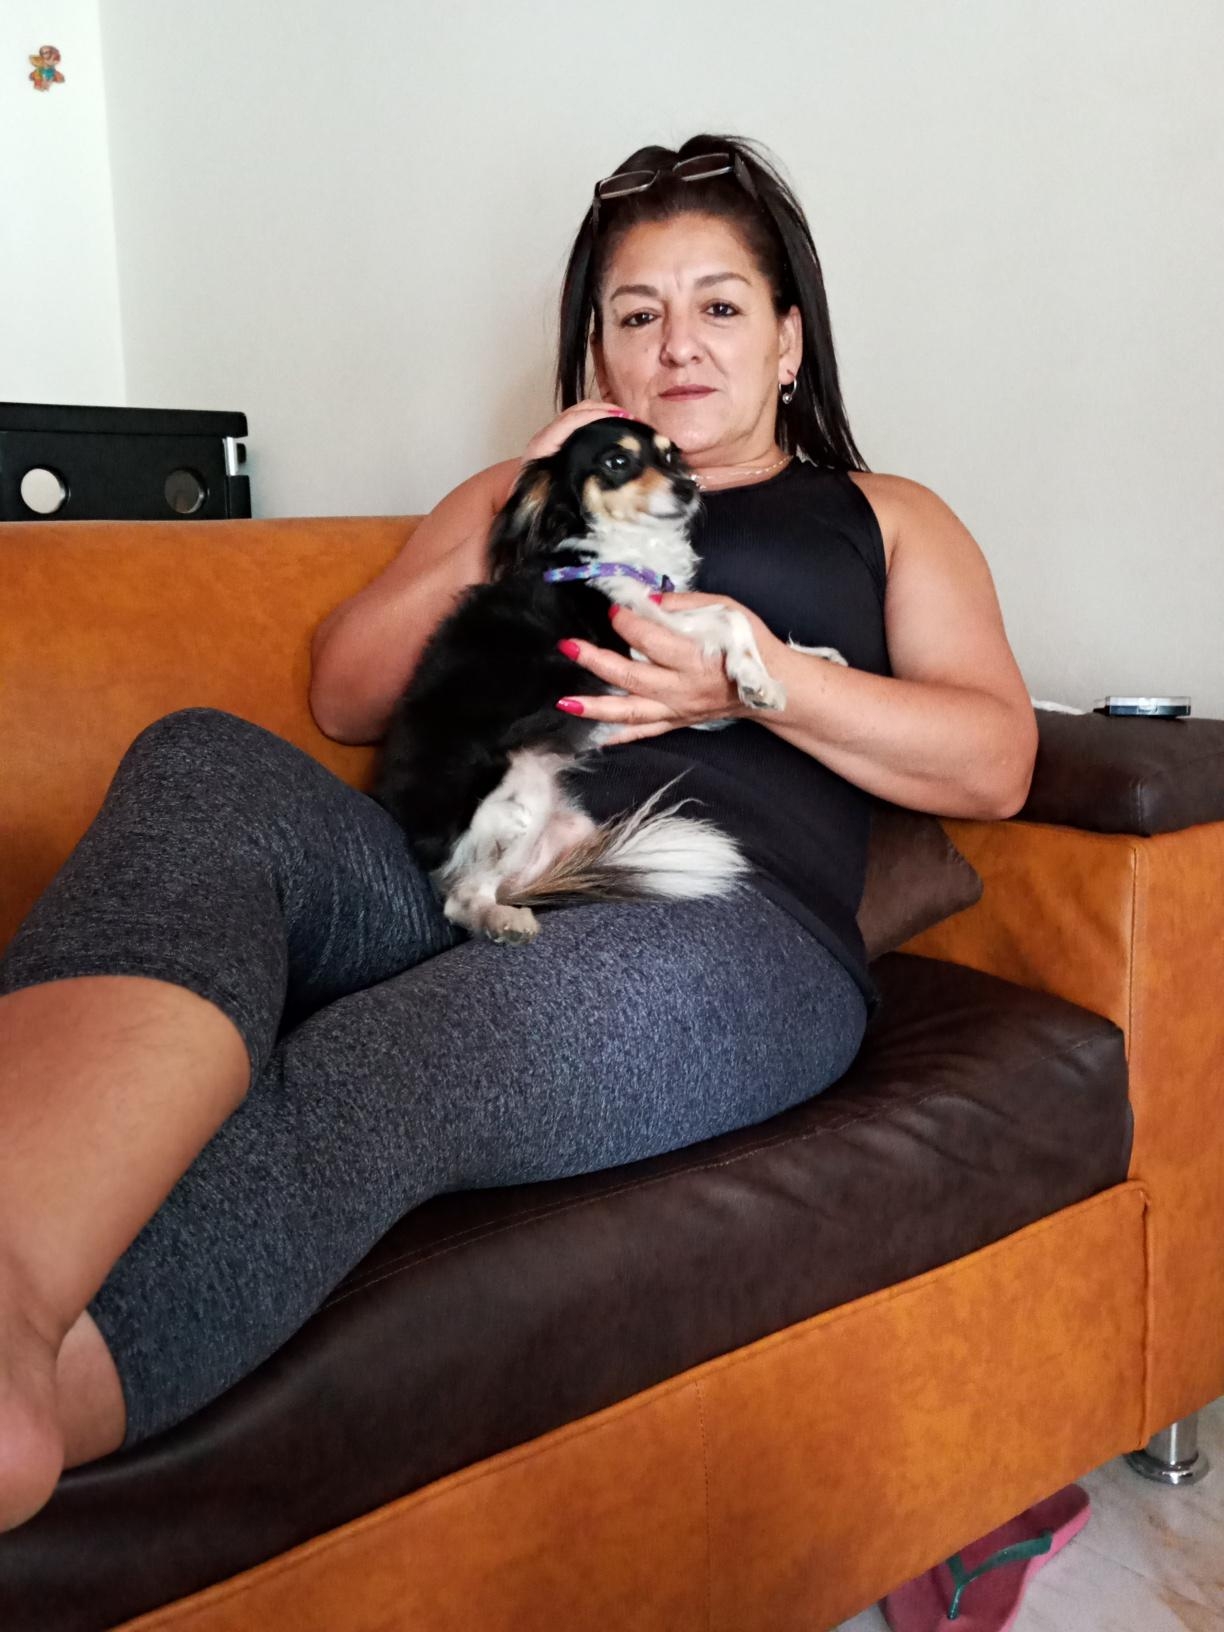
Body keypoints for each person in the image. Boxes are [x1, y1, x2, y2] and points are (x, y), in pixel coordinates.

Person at [0, 133, 1036, 1534]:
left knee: (384, 1064)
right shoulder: (516, 492)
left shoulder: (885, 519)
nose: (678, 344)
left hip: (710, 925)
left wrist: (761, 675)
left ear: (789, 342)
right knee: (202, 764)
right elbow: (346, 689)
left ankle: (36, 1403)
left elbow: (995, 761)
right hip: (451, 863)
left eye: (721, 306)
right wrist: (524, 518)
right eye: (637, 314)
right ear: (598, 354)